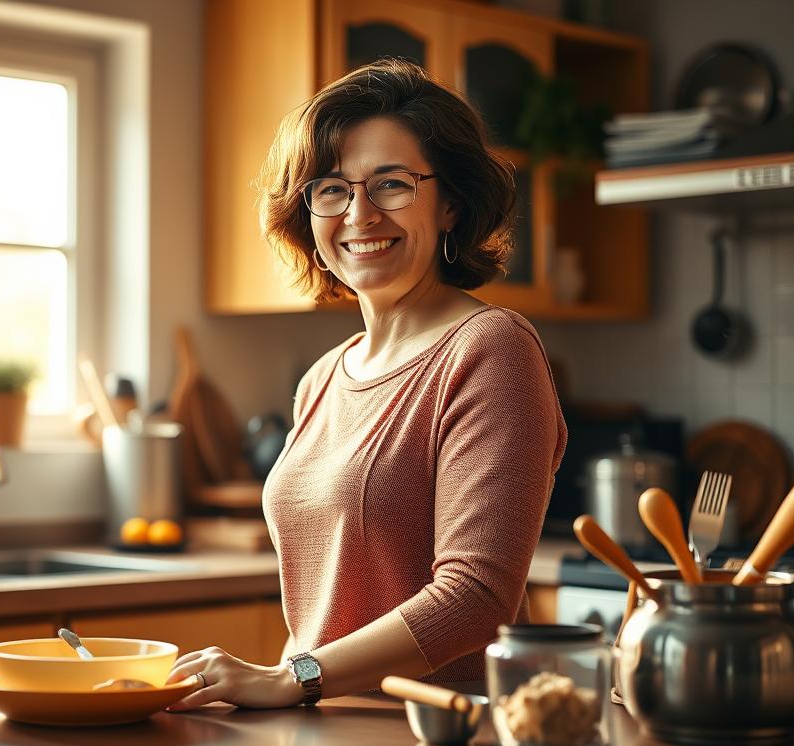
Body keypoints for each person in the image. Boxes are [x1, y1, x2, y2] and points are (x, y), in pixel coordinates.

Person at [166, 58, 567, 711]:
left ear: (451, 205)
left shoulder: (491, 349)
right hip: (320, 723)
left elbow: (476, 599)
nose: (359, 214)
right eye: (330, 188)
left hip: (439, 732)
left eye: (392, 184)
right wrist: (290, 685)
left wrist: (291, 677)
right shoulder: (324, 377)